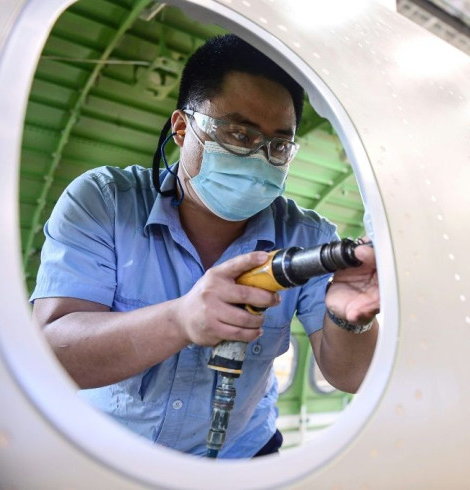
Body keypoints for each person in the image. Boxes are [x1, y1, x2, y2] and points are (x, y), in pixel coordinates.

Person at [30, 34, 380, 459]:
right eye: (238, 133)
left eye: (279, 145)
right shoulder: (104, 202)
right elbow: (50, 353)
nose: (259, 158)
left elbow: (352, 375)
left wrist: (349, 322)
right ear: (182, 128)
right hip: (103, 456)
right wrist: (180, 320)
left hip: (242, 456)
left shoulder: (309, 238)